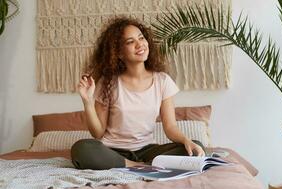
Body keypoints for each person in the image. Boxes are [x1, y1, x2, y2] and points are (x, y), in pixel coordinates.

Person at [71, 17, 206, 170]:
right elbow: (98, 133)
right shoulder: (108, 83)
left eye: (141, 38)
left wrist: (186, 141)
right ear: (119, 53)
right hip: (112, 151)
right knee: (81, 149)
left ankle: (141, 164)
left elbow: (170, 127)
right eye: (130, 42)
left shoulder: (162, 81)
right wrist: (87, 102)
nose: (139, 44)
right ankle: (137, 166)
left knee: (196, 148)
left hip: (148, 151)